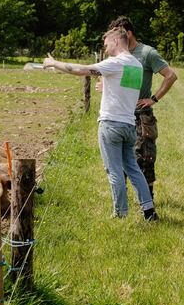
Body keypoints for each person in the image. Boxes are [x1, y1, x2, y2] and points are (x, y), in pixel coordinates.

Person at [43, 27, 159, 221]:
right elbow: (123, 89)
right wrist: (106, 86)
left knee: (114, 170)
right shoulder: (136, 65)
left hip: (111, 125)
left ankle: (120, 214)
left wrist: (53, 63)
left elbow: (81, 70)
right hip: (129, 125)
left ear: (115, 41)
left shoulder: (116, 62)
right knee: (133, 168)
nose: (105, 49)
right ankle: (149, 210)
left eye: (106, 44)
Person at [106, 16, 177, 200]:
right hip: (120, 116)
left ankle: (147, 202)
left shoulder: (147, 53)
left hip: (141, 117)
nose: (114, 40)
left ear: (128, 33)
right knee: (119, 160)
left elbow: (170, 76)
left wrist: (153, 99)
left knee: (144, 158)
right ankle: (121, 201)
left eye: (117, 35)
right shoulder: (116, 55)